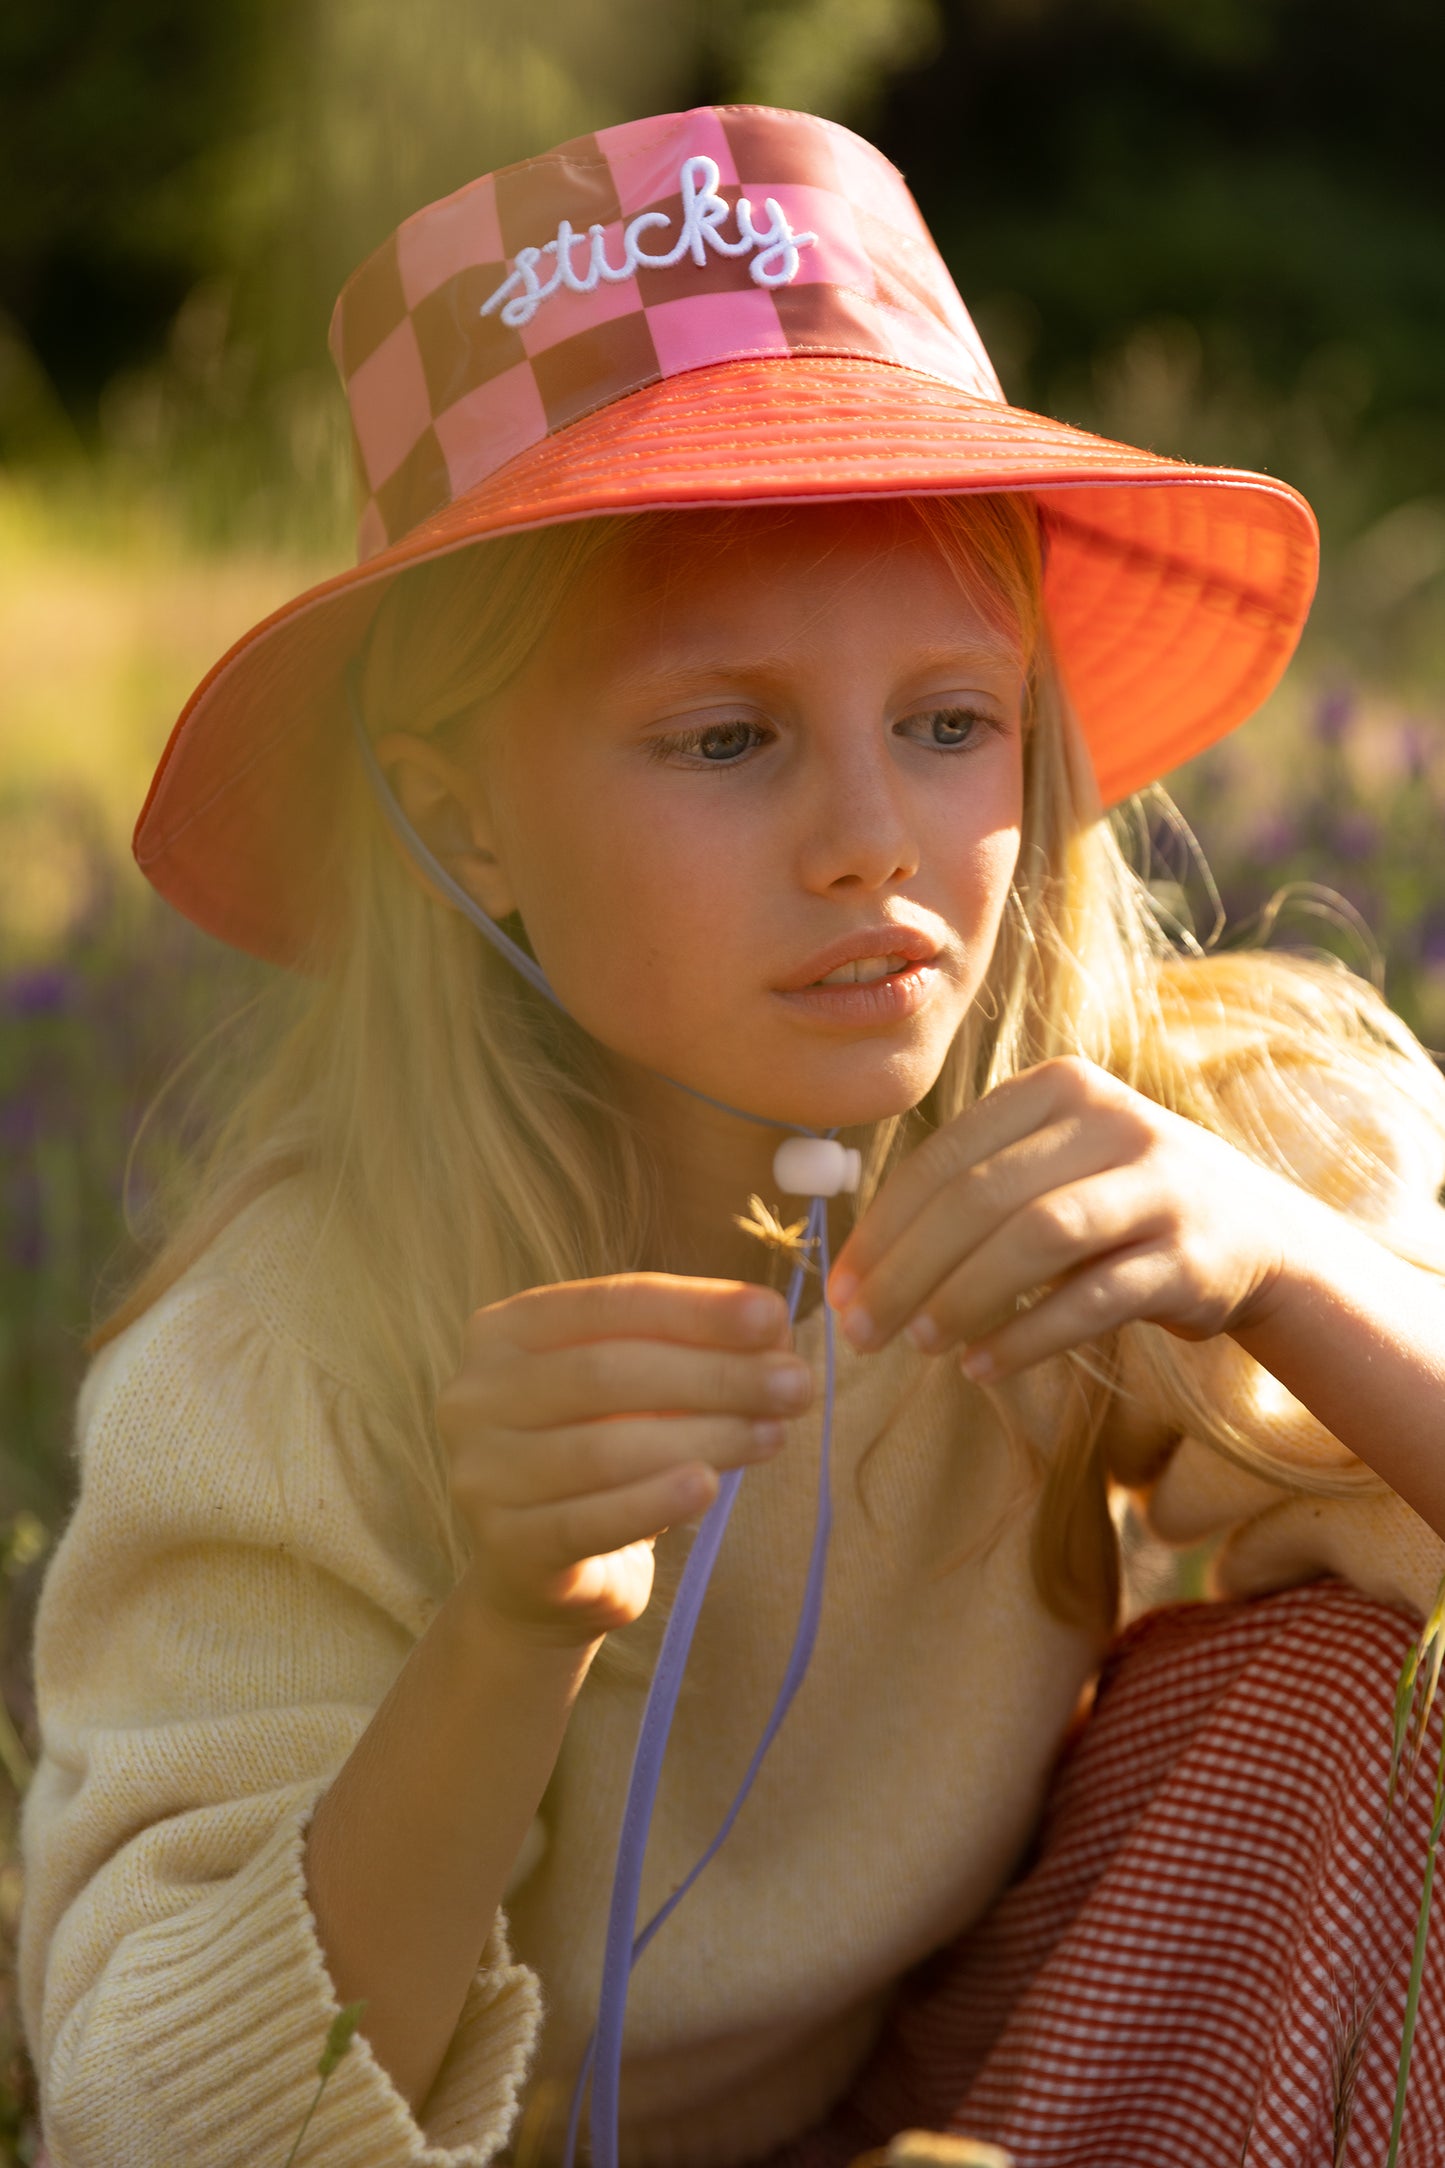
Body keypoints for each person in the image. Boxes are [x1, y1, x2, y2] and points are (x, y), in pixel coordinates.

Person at [18, 103, 1445, 2168]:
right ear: (467, 814)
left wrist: (1303, 1282)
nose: (873, 842)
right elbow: (162, 2124)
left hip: (981, 2095)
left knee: (1348, 1687)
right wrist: (504, 1628)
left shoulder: (1155, 1156)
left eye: (950, 724)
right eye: (727, 737)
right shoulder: (296, 1351)